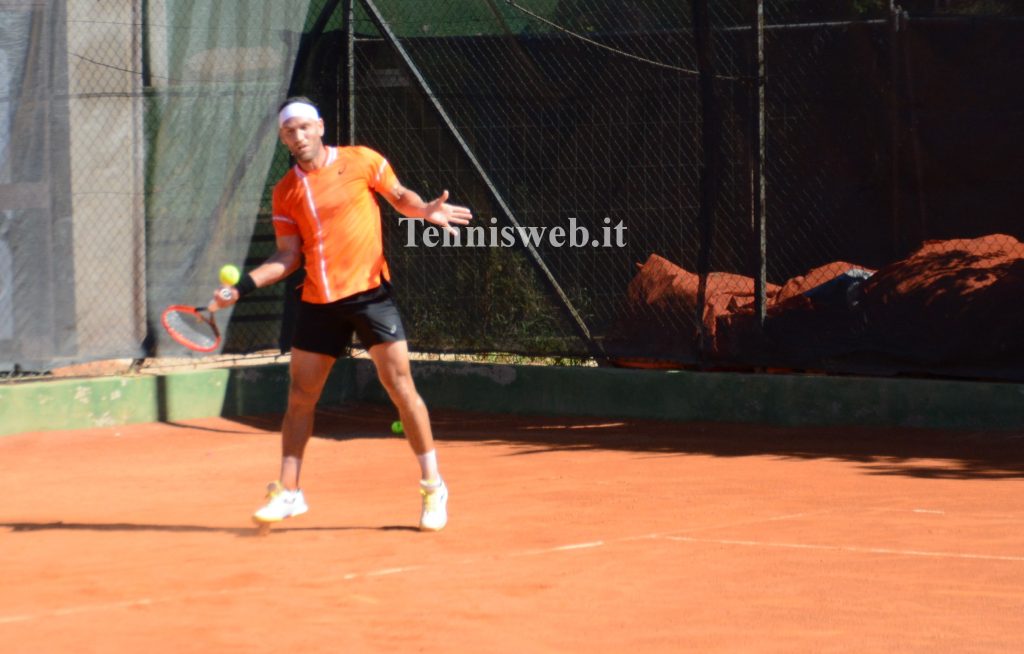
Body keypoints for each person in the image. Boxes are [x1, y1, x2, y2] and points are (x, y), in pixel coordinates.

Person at [213, 96, 472, 531]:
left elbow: (400, 196)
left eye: (303, 127)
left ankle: (432, 487)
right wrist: (243, 286)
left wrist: (424, 209)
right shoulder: (285, 192)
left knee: (400, 387)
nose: (297, 136)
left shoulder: (361, 161)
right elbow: (287, 255)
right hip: (319, 302)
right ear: (284, 138)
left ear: (319, 127)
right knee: (300, 397)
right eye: (288, 131)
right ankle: (290, 491)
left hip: (370, 296)